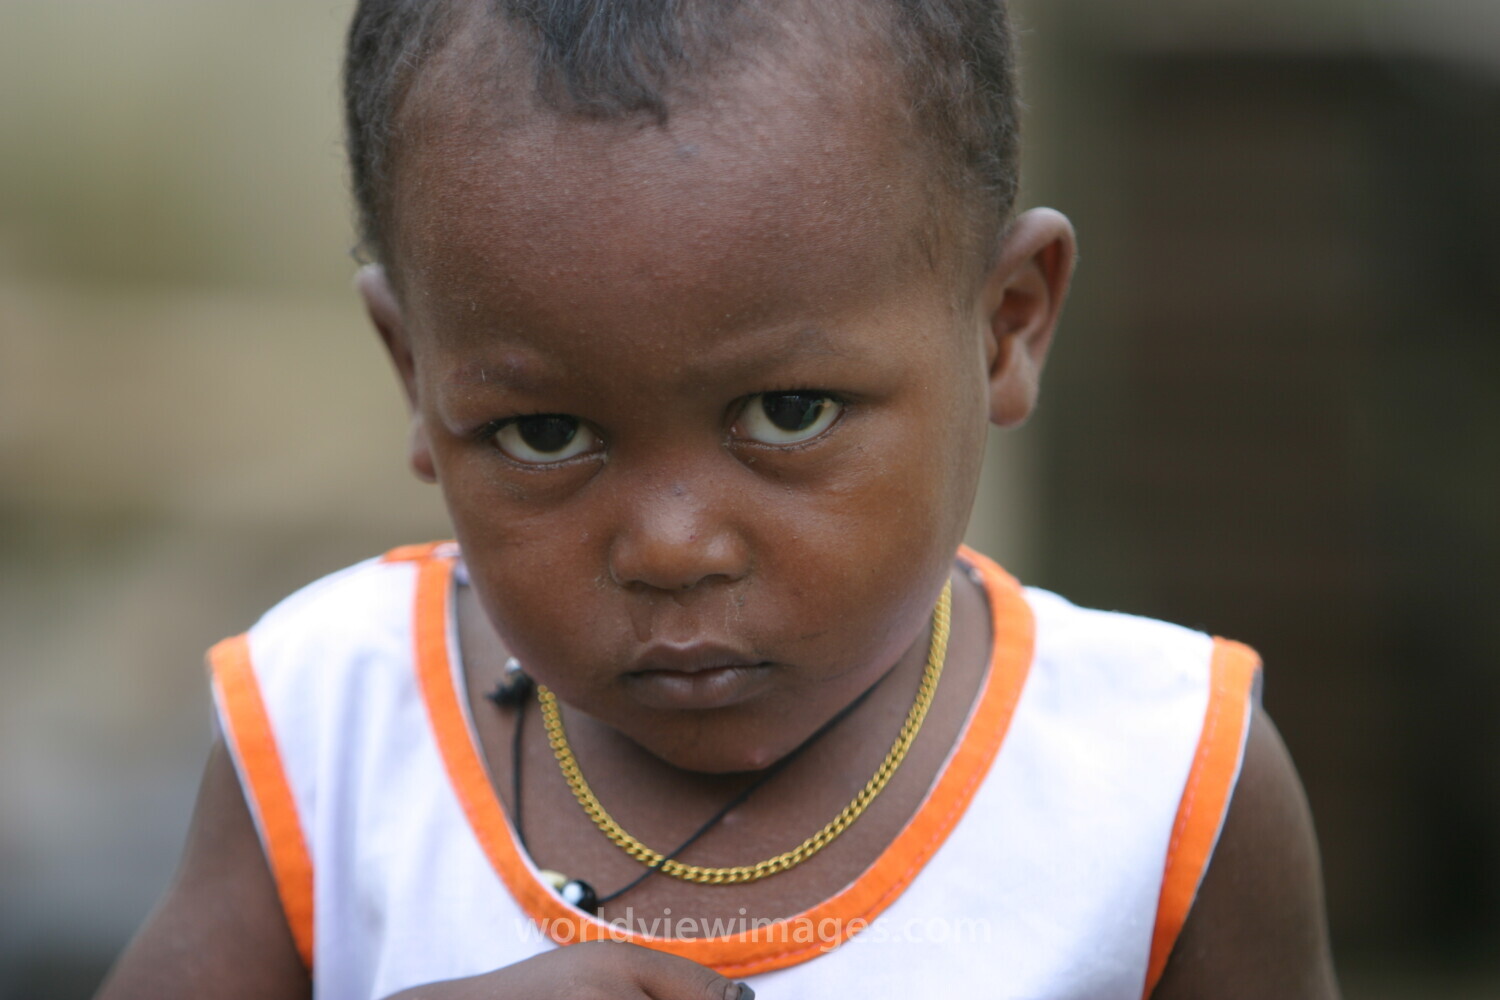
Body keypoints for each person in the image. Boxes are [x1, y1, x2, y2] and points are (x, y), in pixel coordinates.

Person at [97, 0, 1340, 997]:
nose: (670, 545)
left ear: (1006, 325)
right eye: (545, 432)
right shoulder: (332, 734)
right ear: (415, 376)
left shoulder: (1163, 786)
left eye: (788, 412)